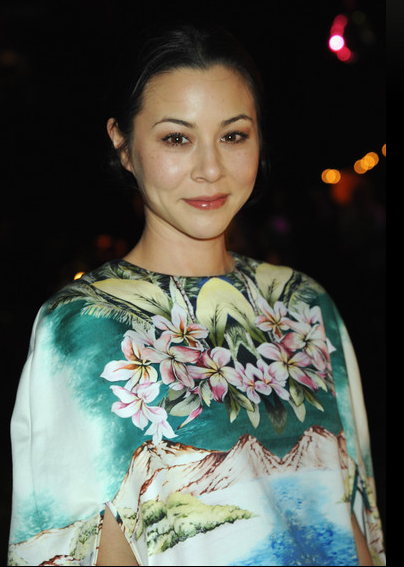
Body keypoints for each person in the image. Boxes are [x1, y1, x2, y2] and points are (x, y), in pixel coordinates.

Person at [8, 23, 385, 567]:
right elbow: (90, 547)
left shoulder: (306, 305)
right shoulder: (84, 328)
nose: (211, 169)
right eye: (176, 138)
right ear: (123, 145)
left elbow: (352, 519)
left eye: (233, 136)